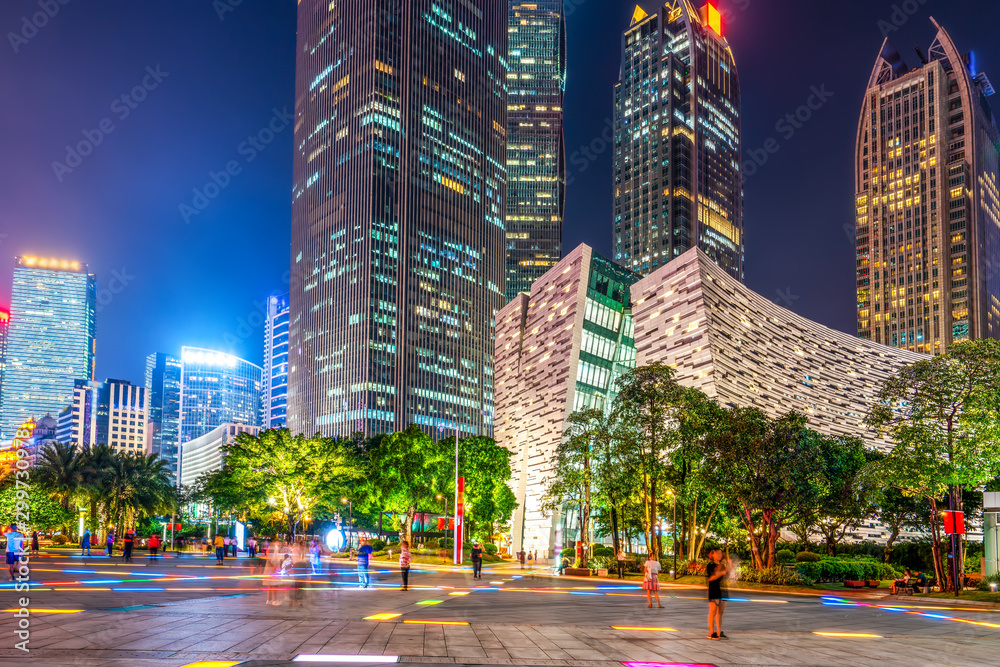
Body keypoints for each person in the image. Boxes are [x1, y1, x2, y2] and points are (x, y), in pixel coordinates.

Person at [706, 548, 728, 640]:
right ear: (713, 554)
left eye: (721, 553)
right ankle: (712, 632)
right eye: (718, 553)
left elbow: (726, 577)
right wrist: (722, 573)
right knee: (713, 611)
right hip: (714, 589)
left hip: (722, 590)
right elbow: (711, 578)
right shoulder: (710, 565)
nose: (720, 555)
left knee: (721, 612)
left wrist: (729, 568)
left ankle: (719, 631)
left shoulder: (723, 565)